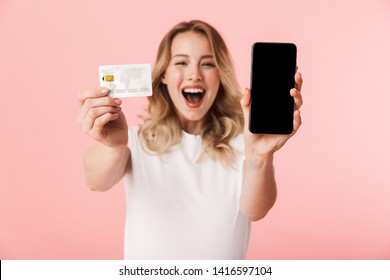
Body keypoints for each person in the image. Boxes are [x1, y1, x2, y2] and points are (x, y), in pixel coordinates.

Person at [77, 20, 303, 260]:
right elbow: (95, 180)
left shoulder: (244, 144)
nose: (194, 75)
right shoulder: (134, 141)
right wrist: (113, 147)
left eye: (207, 64)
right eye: (181, 62)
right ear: (164, 74)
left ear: (220, 75)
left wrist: (259, 158)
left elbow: (256, 210)